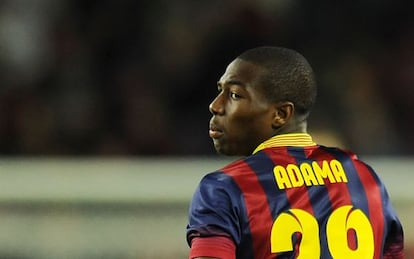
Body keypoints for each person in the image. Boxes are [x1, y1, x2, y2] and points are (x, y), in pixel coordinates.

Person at [186, 46, 404, 259]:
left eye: (234, 95)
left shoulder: (225, 189)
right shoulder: (365, 178)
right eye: (219, 91)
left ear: (281, 114)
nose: (215, 105)